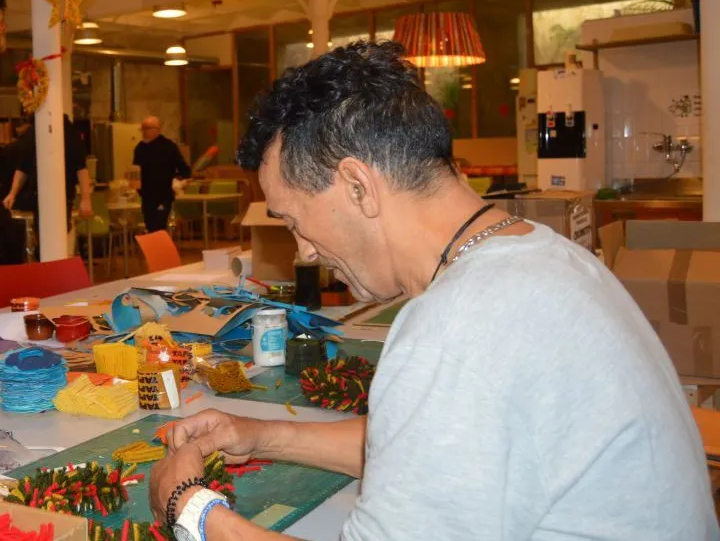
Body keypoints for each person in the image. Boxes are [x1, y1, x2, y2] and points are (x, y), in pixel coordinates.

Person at [149, 41, 717, 541]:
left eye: (296, 221)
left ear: (357, 185)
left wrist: (192, 510)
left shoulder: (457, 328)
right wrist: (258, 435)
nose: (305, 252)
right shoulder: (547, 258)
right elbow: (438, 450)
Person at [2, 115, 92, 257]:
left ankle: (46, 258)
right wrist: (12, 193)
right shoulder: (35, 132)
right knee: (49, 237)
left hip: (55, 194)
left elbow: (81, 167)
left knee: (53, 237)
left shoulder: (67, 132)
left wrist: (85, 199)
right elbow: (23, 166)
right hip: (43, 194)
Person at [132, 116, 191, 233]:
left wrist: (177, 181)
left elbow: (184, 169)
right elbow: (136, 170)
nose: (143, 132)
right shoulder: (140, 148)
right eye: (142, 129)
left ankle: (160, 244)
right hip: (146, 196)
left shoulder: (168, 147)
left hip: (163, 194)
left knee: (158, 226)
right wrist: (137, 187)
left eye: (146, 129)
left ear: (156, 130)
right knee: (150, 226)